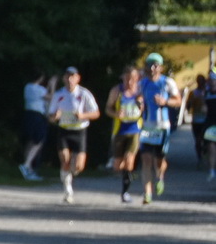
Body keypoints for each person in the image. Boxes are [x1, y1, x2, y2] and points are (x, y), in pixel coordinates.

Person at [47, 65, 100, 204]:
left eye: (73, 76)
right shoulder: (59, 95)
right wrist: (55, 116)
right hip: (64, 130)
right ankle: (68, 191)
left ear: (78, 78)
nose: (70, 79)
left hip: (79, 131)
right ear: (64, 78)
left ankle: (69, 175)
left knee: (78, 166)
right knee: (65, 160)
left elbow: (96, 113)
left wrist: (83, 115)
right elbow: (51, 117)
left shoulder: (84, 94)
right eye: (67, 76)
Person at [136, 52, 180, 202]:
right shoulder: (142, 83)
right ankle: (147, 193)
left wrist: (165, 102)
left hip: (162, 127)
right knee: (146, 159)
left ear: (160, 67)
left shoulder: (167, 82)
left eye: (155, 65)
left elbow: (178, 100)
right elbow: (138, 96)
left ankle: (160, 177)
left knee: (159, 161)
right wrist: (140, 102)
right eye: (149, 64)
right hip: (147, 126)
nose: (152, 68)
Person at [104, 66, 143, 202]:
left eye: (133, 79)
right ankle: (118, 166)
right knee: (118, 165)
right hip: (120, 130)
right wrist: (115, 113)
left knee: (129, 161)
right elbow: (108, 108)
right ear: (123, 78)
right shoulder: (116, 91)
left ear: (137, 78)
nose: (130, 82)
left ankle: (125, 192)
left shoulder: (140, 91)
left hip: (134, 131)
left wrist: (141, 106)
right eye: (127, 79)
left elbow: (146, 109)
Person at [19, 73, 49, 180]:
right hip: (37, 115)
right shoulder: (40, 89)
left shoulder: (27, 87)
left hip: (28, 114)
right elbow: (51, 97)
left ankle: (29, 168)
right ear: (40, 78)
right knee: (39, 140)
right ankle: (27, 164)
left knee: (31, 141)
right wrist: (52, 85)